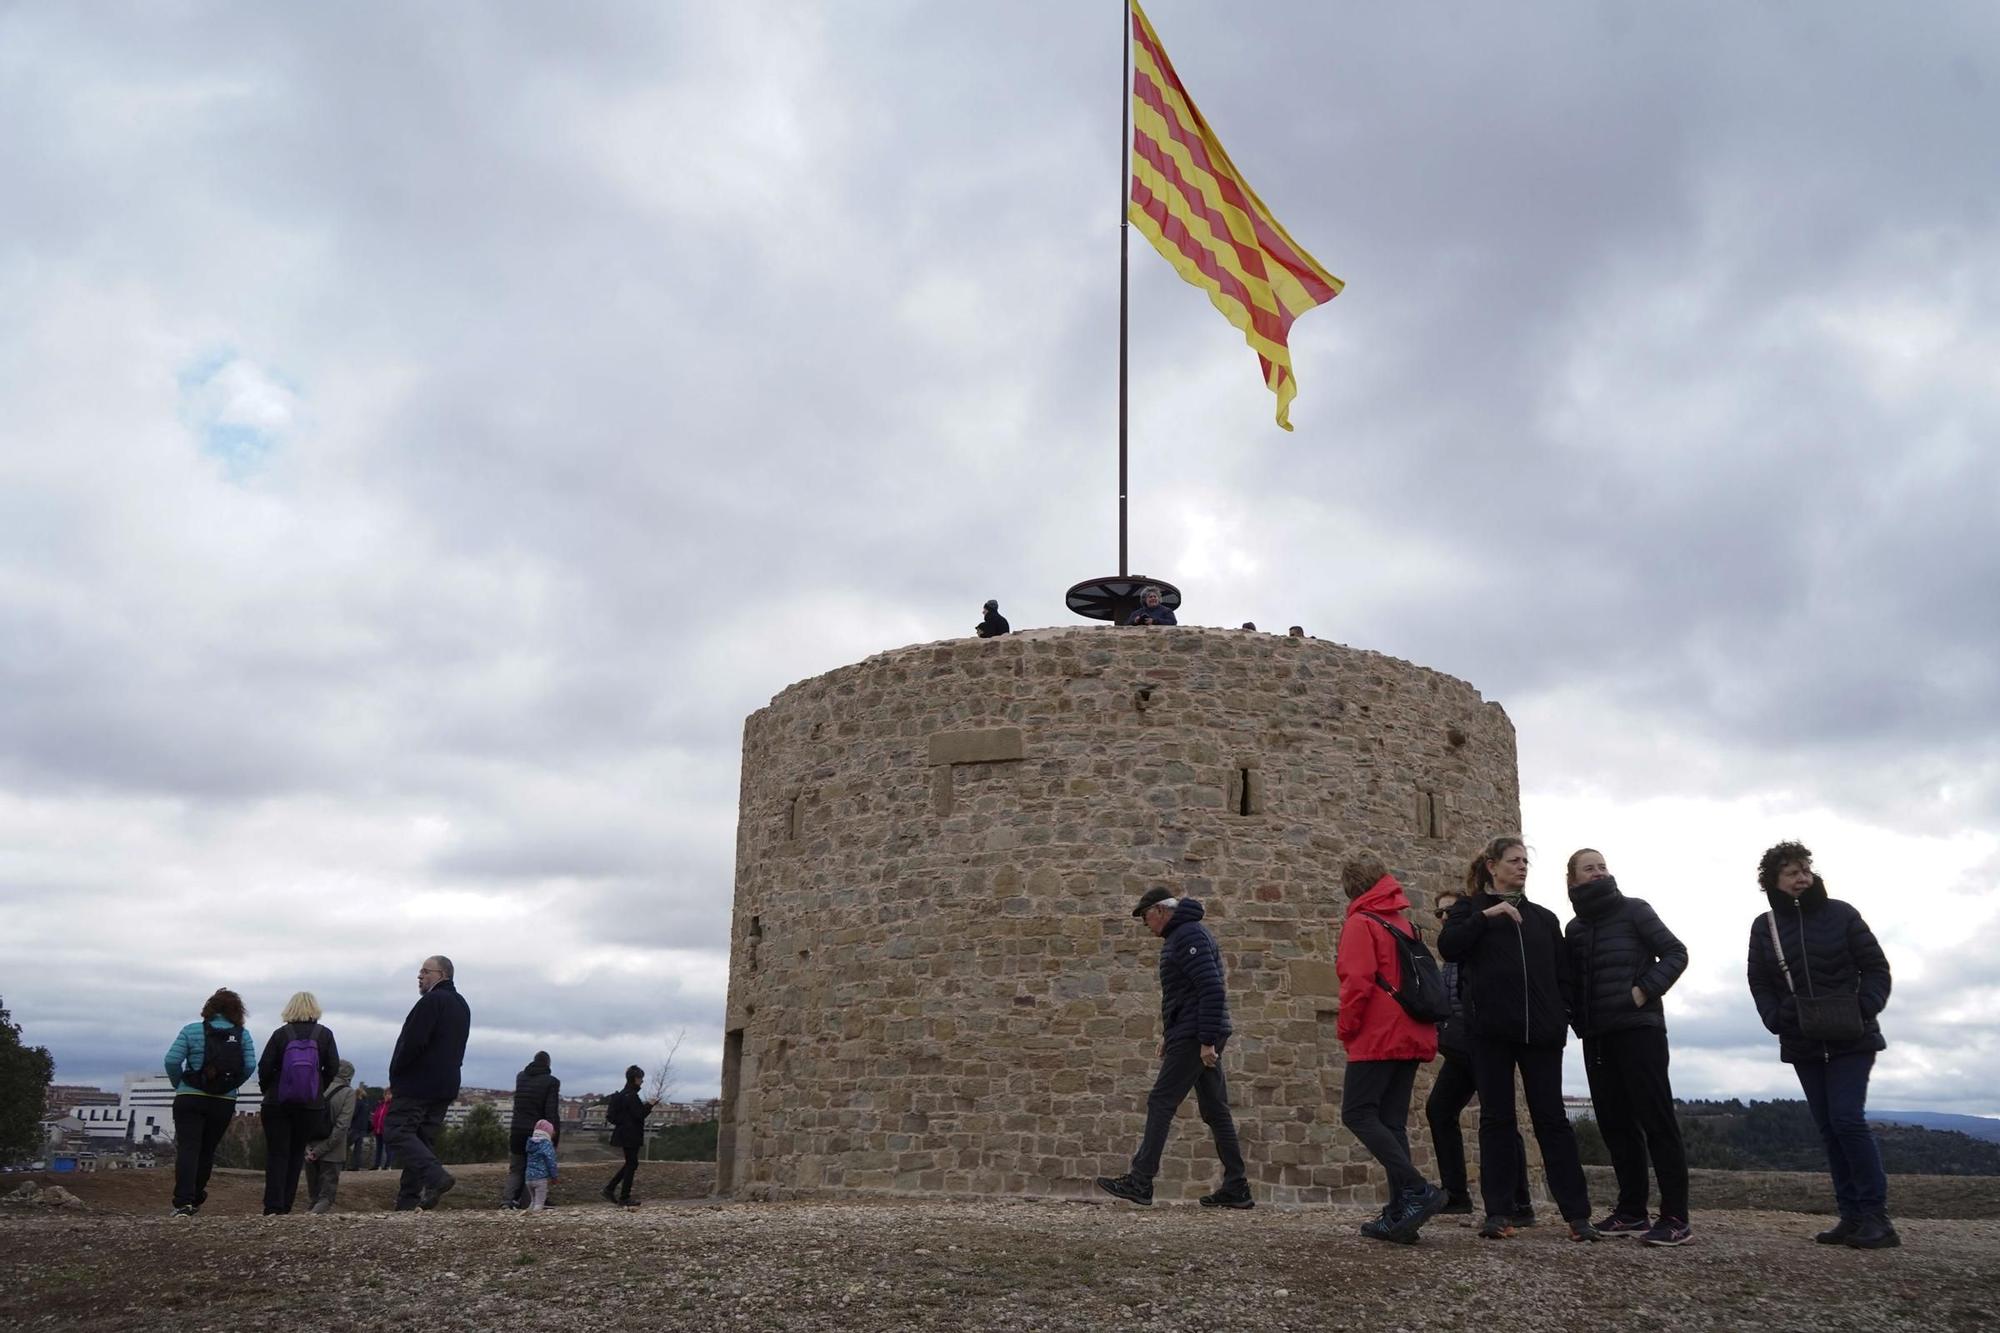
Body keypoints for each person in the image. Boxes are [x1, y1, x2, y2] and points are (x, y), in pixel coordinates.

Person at [1438, 836, 1601, 1242]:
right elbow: (1449, 947)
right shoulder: (1469, 910)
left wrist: (1561, 1015)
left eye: (1525, 861)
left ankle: (1577, 1216)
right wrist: (1485, 916)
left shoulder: (1545, 919)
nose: (1522, 867)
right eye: (1514, 861)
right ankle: (1498, 1213)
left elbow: (1563, 974)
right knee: (1497, 1119)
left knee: (1552, 1121)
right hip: (1490, 1033)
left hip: (1541, 1034)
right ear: (1492, 866)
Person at [1746, 840, 1896, 1249]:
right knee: (1829, 1128)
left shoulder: (1842, 914)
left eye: (1804, 869)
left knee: (1847, 1119)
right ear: (1773, 880)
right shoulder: (1766, 926)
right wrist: (1777, 1018)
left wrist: (1864, 1008)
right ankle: (1851, 1217)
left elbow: (1876, 968)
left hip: (1852, 1036)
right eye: (1791, 871)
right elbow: (1759, 981)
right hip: (1803, 1038)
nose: (1801, 876)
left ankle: (1877, 1218)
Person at [1565, 848, 1693, 1246]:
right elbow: (1571, 980)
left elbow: (1676, 952)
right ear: (1573, 880)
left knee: (1657, 1122)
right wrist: (1577, 1018)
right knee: (1615, 1125)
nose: (1600, 873)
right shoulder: (1574, 929)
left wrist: (1643, 991)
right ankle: (1632, 1211)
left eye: (1603, 866)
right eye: (1590, 868)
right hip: (1598, 1036)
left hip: (1640, 1029)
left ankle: (1675, 1217)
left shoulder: (1635, 910)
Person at [1095, 887, 1251, 1208]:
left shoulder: (1188, 936)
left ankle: (1141, 1180)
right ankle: (1237, 1186)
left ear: (1161, 911)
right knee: (1215, 1109)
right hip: (1192, 1030)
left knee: (1161, 1101)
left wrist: (1206, 1040)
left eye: (1146, 917)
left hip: (1197, 1033)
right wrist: (1170, 1033)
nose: (1145, 925)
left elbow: (1210, 988)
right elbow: (1184, 993)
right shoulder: (1182, 936)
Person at [1334, 856, 1447, 1242]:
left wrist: (1346, 1029)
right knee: (1392, 1121)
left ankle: (1416, 1191)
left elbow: (1357, 983)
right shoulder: (1402, 922)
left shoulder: (1361, 922)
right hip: (1414, 1032)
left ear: (1351, 889)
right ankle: (1401, 1213)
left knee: (1358, 1113)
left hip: (1379, 1034)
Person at [1423, 890, 1532, 1222]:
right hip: (1460, 1049)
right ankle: (1456, 1194)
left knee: (1500, 1118)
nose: (1442, 919)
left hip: (1483, 1043)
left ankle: (1520, 1202)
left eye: (1448, 912)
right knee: (1440, 1110)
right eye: (1438, 914)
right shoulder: (1450, 956)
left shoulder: (1478, 946)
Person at [385, 954, 472, 1211]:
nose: (420, 976)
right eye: (420, 971)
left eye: (426, 971)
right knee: (422, 1140)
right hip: (445, 1084)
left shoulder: (431, 1002)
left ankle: (436, 1177)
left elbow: (412, 1042)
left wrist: (397, 1073)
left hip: (417, 1083)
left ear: (442, 975)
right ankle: (409, 1201)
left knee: (397, 1131)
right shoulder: (461, 1005)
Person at [164, 988, 258, 1218]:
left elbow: (172, 1060)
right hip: (223, 1101)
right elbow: (249, 1066)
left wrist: (181, 1085)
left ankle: (182, 1203)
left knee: (188, 1148)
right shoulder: (242, 1035)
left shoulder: (191, 1030)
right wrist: (232, 1085)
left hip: (190, 1097)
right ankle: (196, 1195)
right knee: (207, 1150)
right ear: (237, 1011)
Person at [256, 991, 341, 1215]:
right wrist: (317, 1090)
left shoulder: (280, 1034)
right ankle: (286, 1205)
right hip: (310, 1106)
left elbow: (264, 1067)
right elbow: (333, 1067)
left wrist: (269, 1090)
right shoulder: (325, 1035)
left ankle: (272, 1205)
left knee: (277, 1153)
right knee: (295, 1154)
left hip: (277, 1103)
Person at [505, 1051, 563, 1208]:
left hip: (516, 1129)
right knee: (535, 1167)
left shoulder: (520, 1077)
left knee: (516, 1168)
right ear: (548, 1064)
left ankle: (508, 1201)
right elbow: (551, 1110)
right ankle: (530, 1201)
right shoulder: (551, 1082)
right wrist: (554, 1133)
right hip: (537, 1131)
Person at [304, 1059, 357, 1215]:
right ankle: (310, 1222)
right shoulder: (348, 1093)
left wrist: (309, 1148)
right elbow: (342, 1127)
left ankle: (304, 1223)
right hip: (332, 1153)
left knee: (313, 1196)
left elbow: (304, 1119)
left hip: (310, 1148)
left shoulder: (316, 1087)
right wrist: (321, 1150)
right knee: (325, 1198)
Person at [602, 1066, 657, 1207]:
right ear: (635, 1079)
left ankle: (610, 1189)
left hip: (623, 1133)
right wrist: (650, 1105)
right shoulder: (631, 1096)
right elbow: (639, 1114)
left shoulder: (622, 1094)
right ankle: (623, 1196)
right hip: (630, 1134)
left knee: (631, 1163)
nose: (642, 1081)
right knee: (632, 1164)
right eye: (641, 1078)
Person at [524, 1119, 560, 1211]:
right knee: (539, 1203)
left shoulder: (530, 1144)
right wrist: (554, 1176)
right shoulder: (546, 1145)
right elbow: (550, 1162)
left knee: (533, 1201)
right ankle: (536, 1218)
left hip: (528, 1178)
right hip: (540, 1179)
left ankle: (527, 1215)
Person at [347, 1084, 376, 1170]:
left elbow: (353, 1115)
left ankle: (345, 1164)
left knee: (346, 1145)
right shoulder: (366, 1104)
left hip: (355, 1127)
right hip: (363, 1128)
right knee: (358, 1148)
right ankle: (356, 1165)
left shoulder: (358, 1103)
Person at [371, 1091, 394, 1169]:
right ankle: (377, 1164)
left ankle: (388, 1165)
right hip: (378, 1129)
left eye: (389, 1094)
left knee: (388, 1148)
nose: (387, 1096)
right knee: (378, 1148)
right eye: (386, 1094)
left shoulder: (392, 1105)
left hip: (387, 1129)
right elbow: (376, 1116)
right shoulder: (380, 1105)